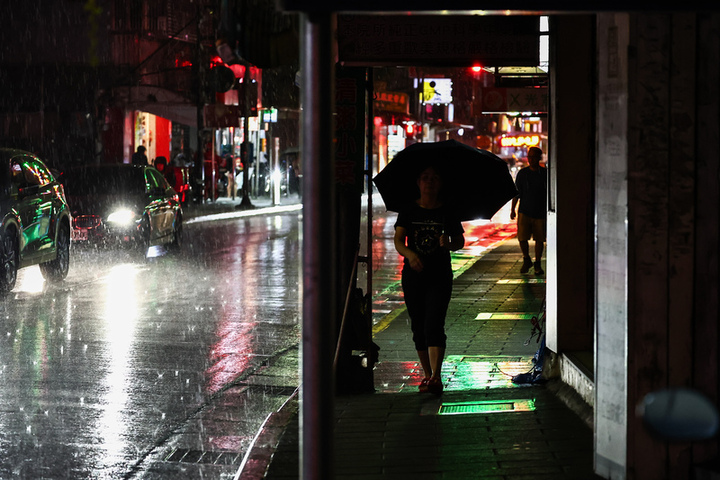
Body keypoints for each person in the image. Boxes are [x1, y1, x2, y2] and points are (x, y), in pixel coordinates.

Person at [393, 164, 465, 395]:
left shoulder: (448, 211)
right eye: (425, 177)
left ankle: (435, 376)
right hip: (413, 276)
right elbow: (398, 240)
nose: (429, 181)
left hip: (440, 275)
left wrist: (449, 243)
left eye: (434, 178)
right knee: (418, 325)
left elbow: (459, 242)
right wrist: (410, 254)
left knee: (434, 322)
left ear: (440, 184)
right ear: (418, 183)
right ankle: (426, 374)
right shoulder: (408, 210)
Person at [510, 146, 547, 275]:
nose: (530, 159)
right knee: (522, 237)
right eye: (529, 157)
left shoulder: (544, 174)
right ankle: (526, 259)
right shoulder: (523, 174)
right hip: (524, 210)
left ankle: (537, 263)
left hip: (540, 211)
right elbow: (516, 192)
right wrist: (513, 209)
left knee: (539, 239)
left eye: (533, 157)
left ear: (538, 158)